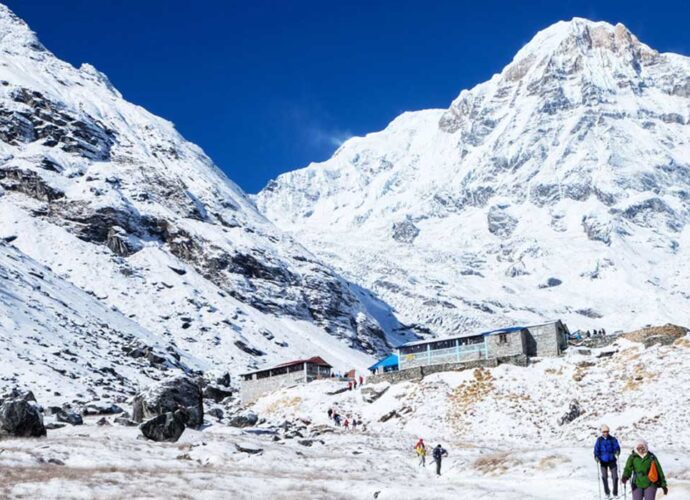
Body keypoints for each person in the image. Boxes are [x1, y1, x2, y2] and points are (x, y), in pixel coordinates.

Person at [594, 424, 621, 498]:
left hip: (612, 459)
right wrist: (596, 457)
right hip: (603, 461)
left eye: (607, 431)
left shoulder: (612, 439)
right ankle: (607, 493)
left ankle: (615, 493)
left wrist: (617, 451)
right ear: (602, 432)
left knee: (615, 477)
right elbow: (596, 449)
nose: (606, 433)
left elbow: (617, 446)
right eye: (604, 432)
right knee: (604, 477)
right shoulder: (599, 440)